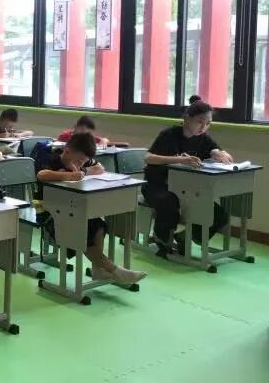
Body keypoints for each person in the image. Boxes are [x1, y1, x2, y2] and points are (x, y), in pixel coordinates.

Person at [36, 132, 147, 284]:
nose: (81, 163)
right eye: (79, 160)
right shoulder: (52, 159)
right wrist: (68, 175)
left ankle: (98, 270)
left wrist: (83, 171)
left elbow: (99, 168)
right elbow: (42, 175)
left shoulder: (82, 161)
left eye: (84, 161)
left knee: (99, 225)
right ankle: (116, 271)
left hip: (76, 208)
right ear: (67, 151)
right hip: (49, 212)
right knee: (82, 232)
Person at [143, 96, 234, 255]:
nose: (203, 127)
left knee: (219, 214)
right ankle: (162, 238)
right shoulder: (169, 135)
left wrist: (219, 153)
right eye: (200, 122)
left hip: (185, 188)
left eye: (208, 123)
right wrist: (180, 159)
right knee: (169, 201)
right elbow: (148, 157)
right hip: (157, 185)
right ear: (186, 118)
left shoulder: (202, 138)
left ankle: (186, 237)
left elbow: (216, 150)